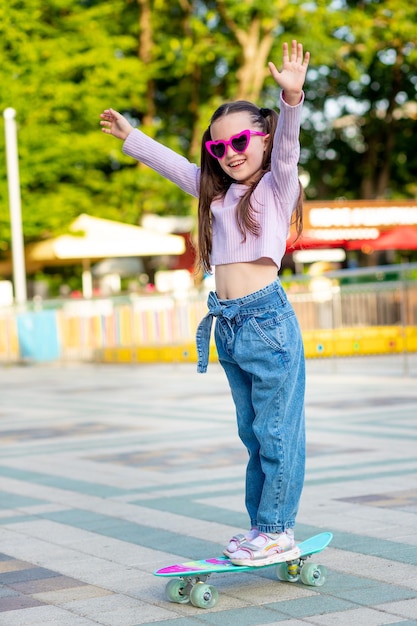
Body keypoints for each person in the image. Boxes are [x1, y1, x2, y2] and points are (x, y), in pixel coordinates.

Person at [100, 40, 309, 567]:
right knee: (252, 434)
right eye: (219, 147)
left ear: (261, 140)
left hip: (266, 321)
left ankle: (278, 529)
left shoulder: (276, 189)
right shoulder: (217, 198)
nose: (231, 152)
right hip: (230, 325)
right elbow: (174, 168)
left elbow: (288, 150)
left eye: (241, 140)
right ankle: (262, 526)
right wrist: (133, 138)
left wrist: (291, 99)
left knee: (276, 430)